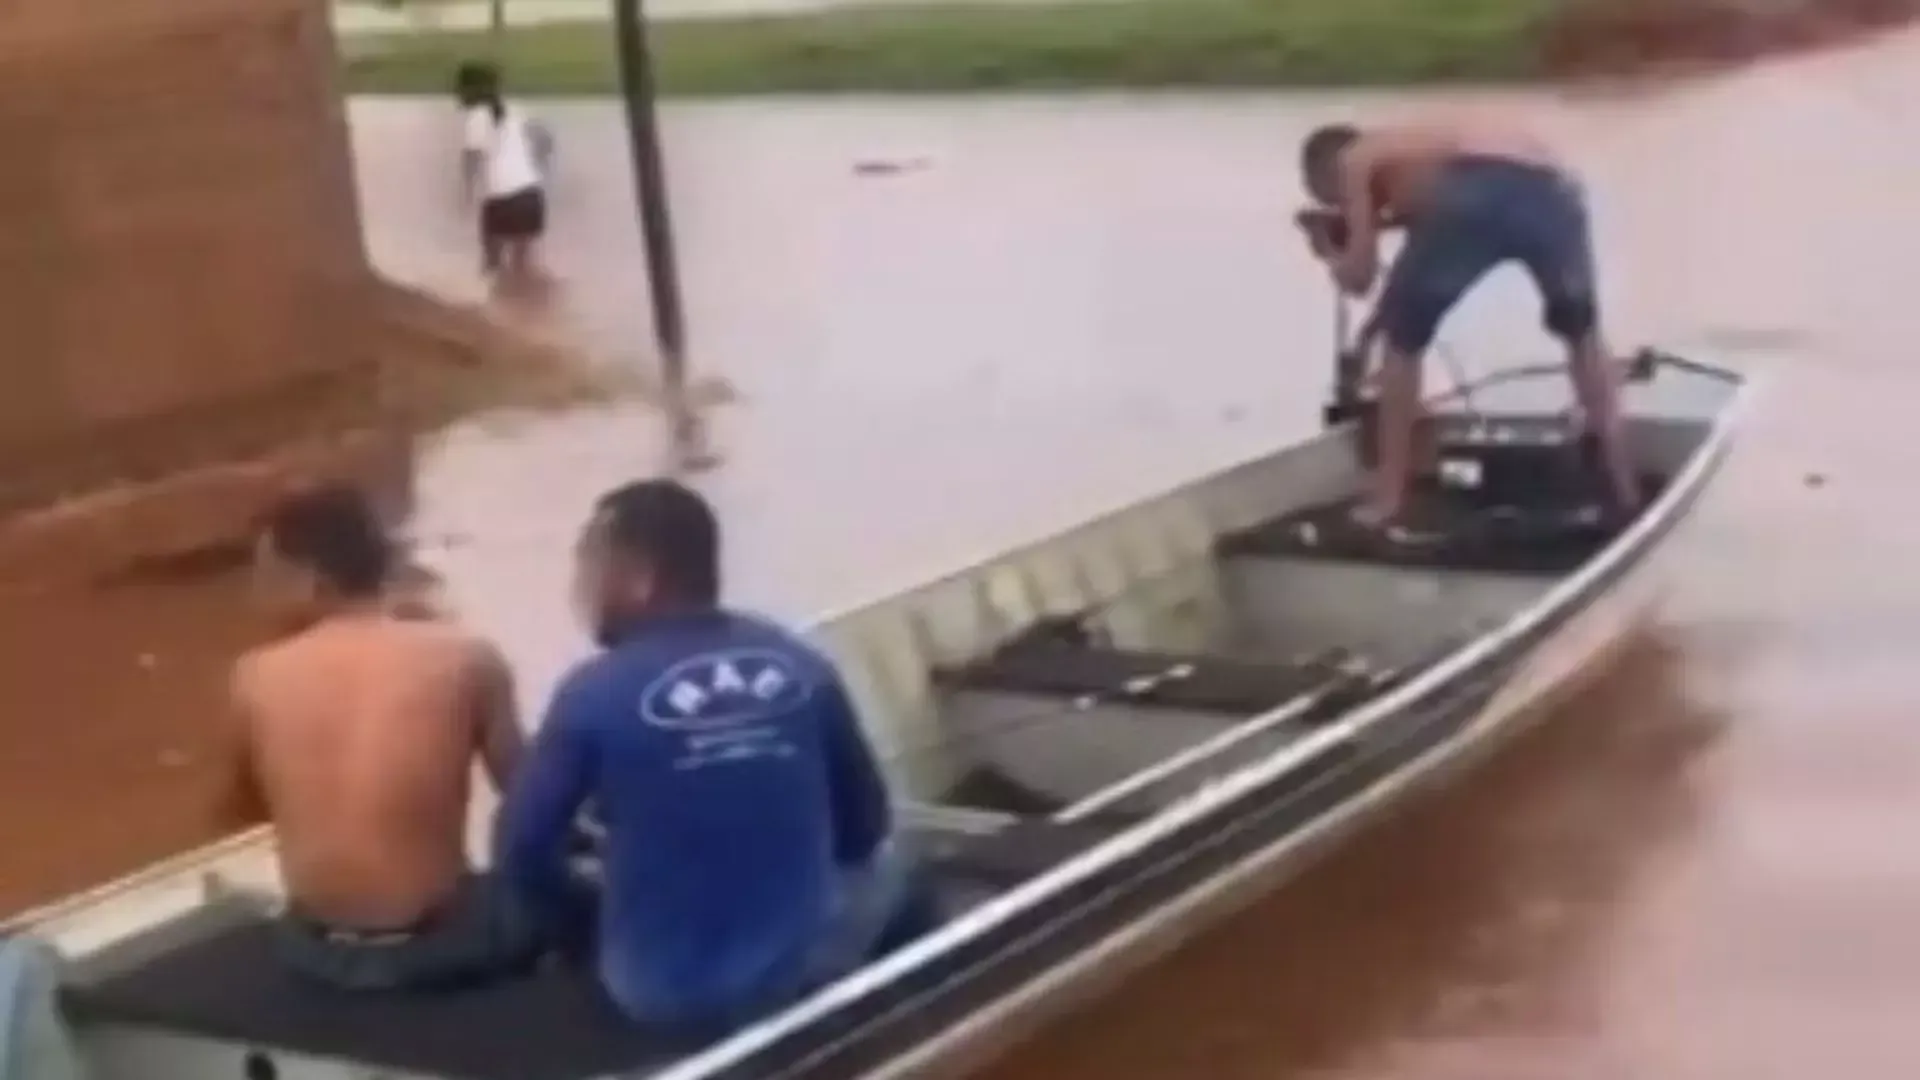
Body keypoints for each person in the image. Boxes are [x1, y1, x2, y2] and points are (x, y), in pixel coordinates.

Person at [495, 479, 922, 1035]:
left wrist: (580, 924)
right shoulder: (799, 663)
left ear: (642, 579)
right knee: (902, 869)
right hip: (796, 978)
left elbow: (521, 851)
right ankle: (902, 1027)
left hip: (654, 994)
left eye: (591, 568)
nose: (581, 589)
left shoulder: (589, 693)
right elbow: (865, 829)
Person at [225, 484, 543, 991]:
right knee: (551, 892)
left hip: (315, 950)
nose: (256, 591)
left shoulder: (253, 676)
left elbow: (242, 809)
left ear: (309, 579)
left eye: (267, 574)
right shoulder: (467, 658)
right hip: (442, 947)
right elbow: (531, 801)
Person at [1295, 119, 1641, 526]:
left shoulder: (1356, 160)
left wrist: (1329, 250)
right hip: (1554, 190)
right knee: (1581, 333)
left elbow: (1359, 278)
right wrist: (1371, 234)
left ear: (1329, 171)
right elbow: (1453, 217)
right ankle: (1623, 486)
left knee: (1401, 345)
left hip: (1469, 195)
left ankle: (1388, 498)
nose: (1347, 208)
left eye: (1336, 200)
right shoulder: (1413, 142)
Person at [455, 61, 551, 286]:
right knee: (523, 265)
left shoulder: (476, 117)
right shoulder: (515, 109)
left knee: (492, 265)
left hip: (501, 199)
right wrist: (538, 166)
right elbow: (545, 139)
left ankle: (495, 314)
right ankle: (525, 313)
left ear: (470, 90)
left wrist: (466, 192)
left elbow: (471, 158)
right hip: (531, 195)